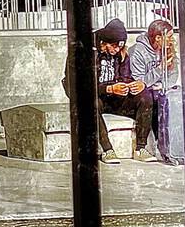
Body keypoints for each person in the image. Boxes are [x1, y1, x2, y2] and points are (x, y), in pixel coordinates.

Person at [63, 18, 156, 165]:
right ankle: (107, 150)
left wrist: (131, 85)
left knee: (145, 96)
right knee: (91, 103)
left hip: (114, 98)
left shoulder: (121, 53)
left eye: (120, 47)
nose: (117, 50)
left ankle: (140, 148)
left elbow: (125, 76)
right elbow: (78, 86)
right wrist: (109, 88)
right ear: (103, 42)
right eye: (114, 46)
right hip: (91, 96)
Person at [128, 19, 184, 165]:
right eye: (169, 36)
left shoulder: (167, 48)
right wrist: (160, 68)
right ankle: (162, 147)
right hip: (140, 95)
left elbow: (173, 75)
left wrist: (162, 85)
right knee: (153, 98)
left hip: (159, 89)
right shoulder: (137, 51)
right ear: (158, 38)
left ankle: (177, 147)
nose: (172, 40)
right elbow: (139, 81)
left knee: (173, 99)